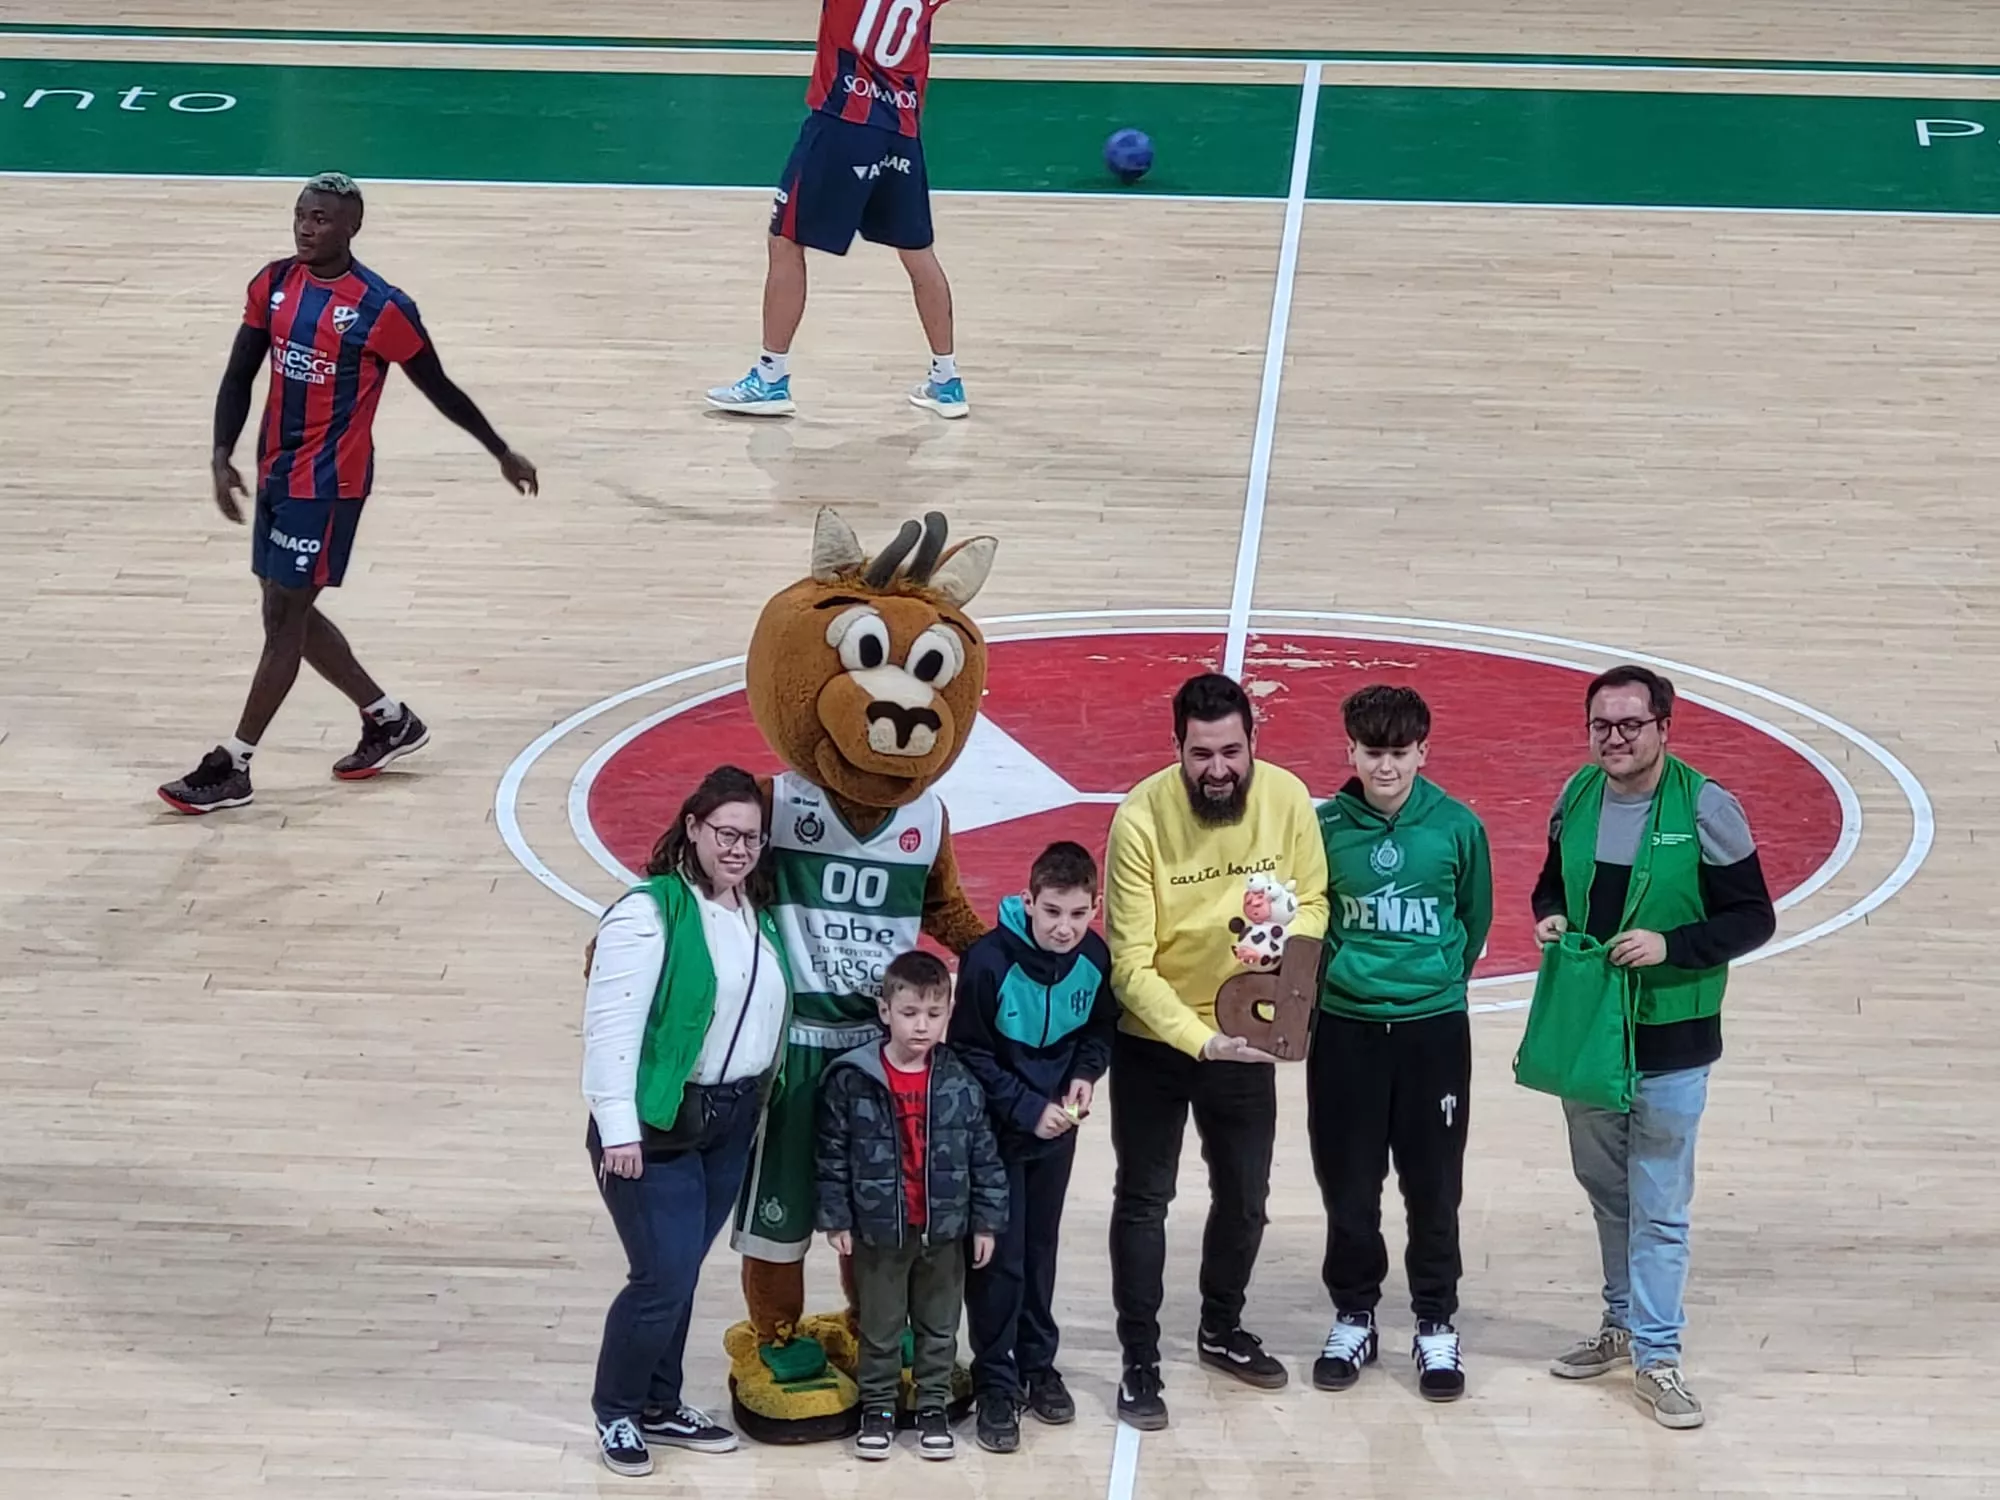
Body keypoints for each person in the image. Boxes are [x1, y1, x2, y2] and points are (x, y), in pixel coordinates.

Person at [158, 171, 537, 815]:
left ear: (352, 227)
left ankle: (235, 763)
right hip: (276, 473)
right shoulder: (273, 283)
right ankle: (389, 720)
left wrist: (500, 449)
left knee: (283, 620)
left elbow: (438, 386)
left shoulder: (381, 308)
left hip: (330, 485)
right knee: (285, 613)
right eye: (302, 215)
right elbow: (238, 373)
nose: (308, 227)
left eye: (323, 219)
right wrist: (221, 455)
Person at [1531, 665, 1775, 1430]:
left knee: (1660, 1205)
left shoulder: (1708, 808)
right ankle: (1621, 1325)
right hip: (1588, 1030)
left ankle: (1659, 1356)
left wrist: (1670, 944)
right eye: (1601, 725)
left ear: (1664, 727)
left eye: (1630, 725)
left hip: (1671, 1038)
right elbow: (1551, 883)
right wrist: (1550, 917)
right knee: (1609, 1195)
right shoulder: (1576, 796)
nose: (1614, 738)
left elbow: (1753, 918)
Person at [1103, 672, 1330, 1429]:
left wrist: (1285, 993)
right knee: (1144, 1202)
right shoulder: (1140, 819)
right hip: (1158, 1042)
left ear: (1253, 742)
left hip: (1250, 1037)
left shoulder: (1289, 799)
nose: (1219, 768)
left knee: (1247, 1201)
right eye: (1201, 754)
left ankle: (1219, 1328)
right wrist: (1205, 1041)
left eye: (1231, 750)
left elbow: (1317, 899)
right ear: (1178, 750)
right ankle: (1140, 1359)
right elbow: (1130, 964)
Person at [580, 766, 794, 1477]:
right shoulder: (649, 911)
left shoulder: (752, 913)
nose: (738, 848)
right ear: (694, 828)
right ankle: (616, 1410)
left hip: (730, 1122)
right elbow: (610, 1026)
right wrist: (618, 1129)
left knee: (683, 1271)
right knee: (661, 1275)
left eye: (752, 837)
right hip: (657, 1128)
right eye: (726, 833)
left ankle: (660, 1402)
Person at [1308, 685, 1492, 1403]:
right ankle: (1354, 1315)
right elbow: (1308, 922)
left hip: (1432, 1030)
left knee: (1434, 1185)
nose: (1385, 767)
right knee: (1348, 1184)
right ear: (1350, 750)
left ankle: (1435, 1321)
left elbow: (1472, 922)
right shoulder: (1325, 829)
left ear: (1424, 751)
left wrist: (1431, 982)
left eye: (1399, 753)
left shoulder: (1456, 827)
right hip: (1346, 1030)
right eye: (1372, 752)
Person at [705, 0, 968, 421]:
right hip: (901, 129)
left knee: (785, 241)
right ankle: (947, 380)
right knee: (918, 253)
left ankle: (770, 379)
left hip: (842, 122)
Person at [949, 841, 1118, 1454]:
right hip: (996, 1139)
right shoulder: (989, 961)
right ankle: (995, 1380)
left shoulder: (1094, 959)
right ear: (1028, 900)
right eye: (1052, 912)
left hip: (1056, 1136)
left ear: (1094, 907)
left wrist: (1085, 1075)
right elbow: (967, 1051)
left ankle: (1036, 1364)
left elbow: (1100, 1029)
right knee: (1000, 1259)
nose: (1064, 928)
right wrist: (1026, 1108)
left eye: (1077, 914)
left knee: (1040, 1251)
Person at [817, 951, 1006, 1462]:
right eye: (909, 1013)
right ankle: (877, 1408)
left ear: (948, 1014)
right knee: (879, 1328)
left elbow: (985, 1155)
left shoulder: (961, 1081)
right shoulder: (851, 1078)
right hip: (878, 1233)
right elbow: (832, 1152)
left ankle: (932, 1407)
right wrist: (835, 1216)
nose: (921, 1026)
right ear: (885, 1011)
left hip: (944, 1232)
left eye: (933, 1014)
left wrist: (986, 1222)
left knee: (940, 1327)